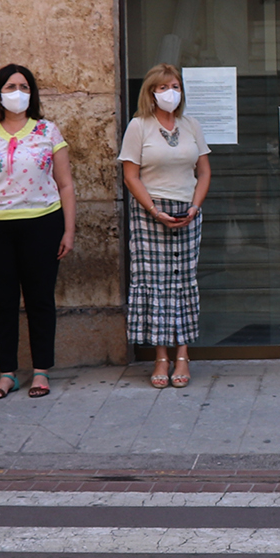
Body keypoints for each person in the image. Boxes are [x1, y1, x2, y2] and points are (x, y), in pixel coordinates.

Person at [0, 64, 75, 401]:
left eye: (24, 87)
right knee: (2, 302)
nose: (17, 93)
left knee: (40, 299)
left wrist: (68, 230)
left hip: (42, 223)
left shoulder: (47, 132)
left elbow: (66, 184)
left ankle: (41, 372)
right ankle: (7, 373)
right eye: (10, 87)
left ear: (32, 93)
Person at [119, 63, 211, 388]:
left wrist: (195, 207)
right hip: (149, 212)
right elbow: (130, 175)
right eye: (162, 87)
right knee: (155, 284)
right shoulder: (138, 126)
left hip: (187, 211)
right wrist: (154, 210)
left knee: (183, 281)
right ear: (151, 92)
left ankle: (183, 355)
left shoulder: (191, 125)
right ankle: (161, 357)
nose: (170, 92)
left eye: (175, 86)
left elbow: (204, 171)